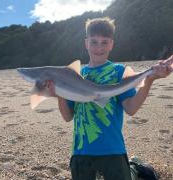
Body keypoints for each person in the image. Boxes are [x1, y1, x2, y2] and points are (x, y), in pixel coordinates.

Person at [48, 17, 173, 180]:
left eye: (104, 42)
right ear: (86, 43)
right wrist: (60, 94)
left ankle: (135, 168)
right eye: (94, 42)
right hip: (81, 151)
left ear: (111, 44)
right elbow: (67, 116)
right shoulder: (75, 75)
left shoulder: (118, 72)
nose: (99, 47)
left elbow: (131, 108)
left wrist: (149, 80)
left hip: (113, 149)